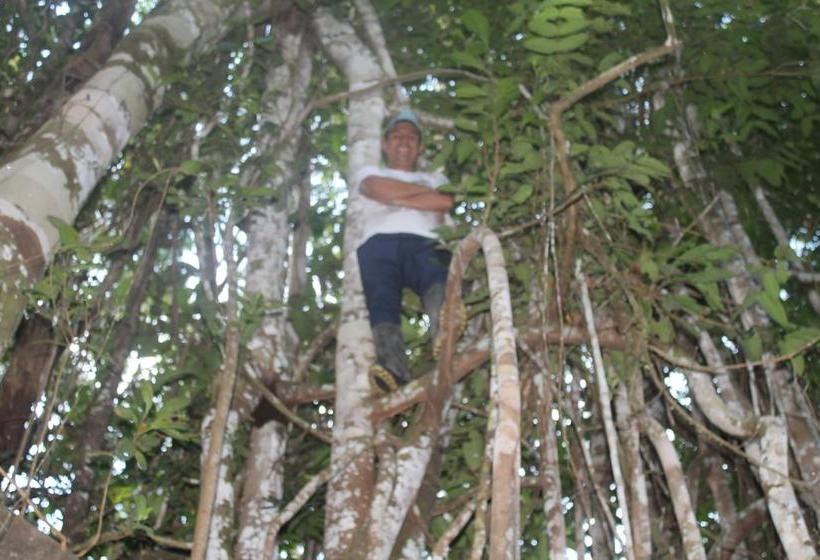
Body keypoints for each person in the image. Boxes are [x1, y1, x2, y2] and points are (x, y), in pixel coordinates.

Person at [352, 108, 455, 393]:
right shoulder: (371, 172)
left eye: (411, 137)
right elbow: (377, 188)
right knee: (381, 298)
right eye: (397, 136)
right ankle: (393, 369)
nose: (404, 141)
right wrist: (422, 198)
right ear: (385, 144)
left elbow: (444, 201)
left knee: (437, 281)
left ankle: (444, 336)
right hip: (379, 242)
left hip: (425, 240)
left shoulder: (436, 178)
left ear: (420, 146)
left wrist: (397, 195)